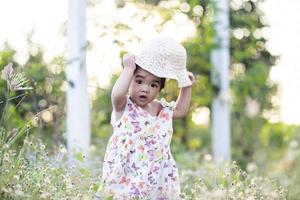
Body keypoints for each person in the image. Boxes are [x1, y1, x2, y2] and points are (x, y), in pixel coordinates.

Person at [101, 37, 195, 199]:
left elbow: (180, 110)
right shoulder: (124, 106)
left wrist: (186, 85)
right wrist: (128, 69)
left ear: (159, 89)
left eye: (154, 85)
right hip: (126, 177)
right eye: (139, 81)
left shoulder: (160, 109)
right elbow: (117, 93)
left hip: (157, 178)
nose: (145, 88)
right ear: (130, 80)